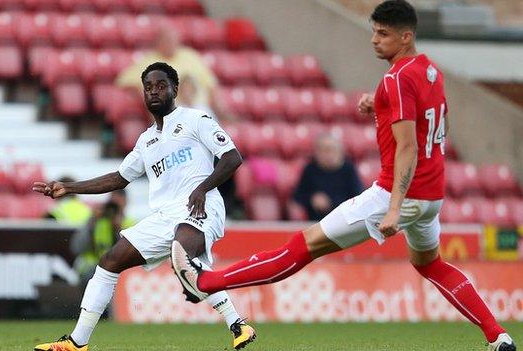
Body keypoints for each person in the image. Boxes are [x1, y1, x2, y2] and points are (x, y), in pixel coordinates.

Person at [170, 2, 516, 350]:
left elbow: (408, 147)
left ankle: (208, 280)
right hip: (430, 196)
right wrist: (377, 105)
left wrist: (395, 208)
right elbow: (424, 124)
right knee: (432, 265)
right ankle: (497, 335)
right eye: (374, 32)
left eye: (383, 34)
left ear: (406, 36)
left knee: (303, 246)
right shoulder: (428, 71)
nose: (374, 40)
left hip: (397, 194)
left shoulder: (396, 78)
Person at [33, 62, 256, 351]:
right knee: (109, 261)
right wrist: (69, 188)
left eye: (161, 85)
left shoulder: (195, 119)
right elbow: (118, 178)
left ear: (174, 89)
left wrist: (202, 187)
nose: (154, 92)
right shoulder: (146, 141)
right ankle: (77, 343)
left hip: (200, 205)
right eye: (148, 87)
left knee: (182, 256)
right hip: (164, 216)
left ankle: (238, 324)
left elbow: (232, 157)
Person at [115, 26, 226, 117]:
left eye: (173, 40)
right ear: (158, 42)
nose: (171, 43)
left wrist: (221, 110)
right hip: (171, 109)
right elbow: (124, 81)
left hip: (199, 106)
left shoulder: (190, 56)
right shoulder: (149, 61)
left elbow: (211, 85)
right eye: (167, 40)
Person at [70, 190, 135, 283]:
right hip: (93, 268)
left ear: (125, 203)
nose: (113, 210)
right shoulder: (97, 222)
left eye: (116, 206)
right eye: (111, 205)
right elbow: (77, 248)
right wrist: (92, 221)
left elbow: (129, 254)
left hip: (119, 270)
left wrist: (118, 229)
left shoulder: (130, 223)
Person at [293, 134, 363, 221]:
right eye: (324, 150)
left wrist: (332, 202)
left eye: (332, 150)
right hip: (315, 222)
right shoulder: (310, 169)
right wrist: (312, 198)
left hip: (343, 221)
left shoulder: (348, 169)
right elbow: (298, 196)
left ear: (340, 151)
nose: (328, 154)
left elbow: (357, 197)